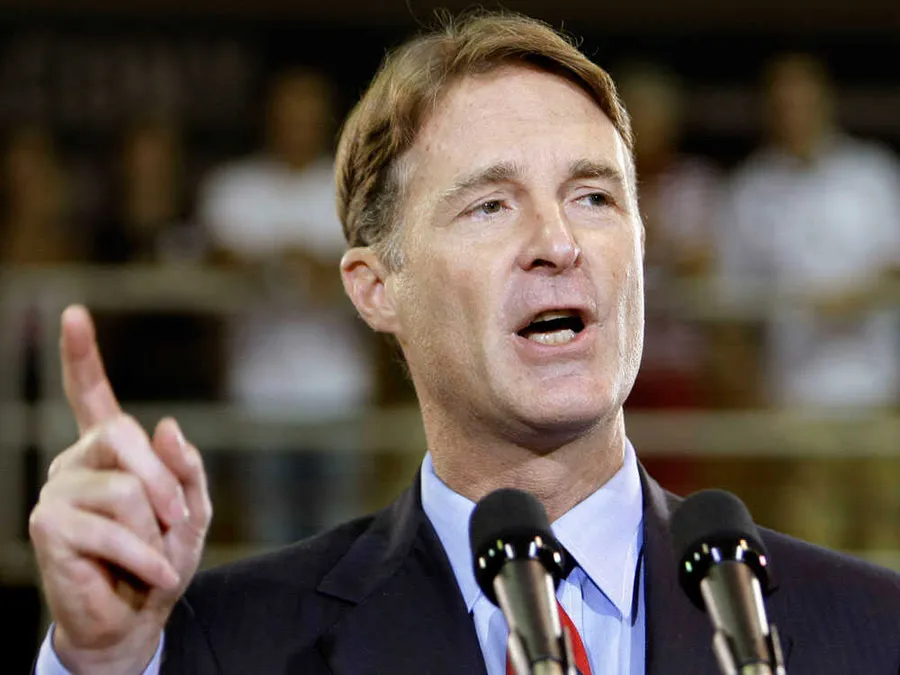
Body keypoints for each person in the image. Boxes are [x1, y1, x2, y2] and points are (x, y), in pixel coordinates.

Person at [29, 13, 900, 675]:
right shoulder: (225, 644)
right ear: (376, 287)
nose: (558, 242)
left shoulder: (869, 628)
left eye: (594, 197)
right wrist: (105, 659)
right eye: (490, 205)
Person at [717, 53, 900, 549]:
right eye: (783, 104)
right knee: (813, 543)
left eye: (802, 101)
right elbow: (729, 304)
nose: (794, 113)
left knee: (886, 537)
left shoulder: (872, 174)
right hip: (796, 399)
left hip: (878, 394)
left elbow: (894, 265)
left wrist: (850, 299)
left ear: (825, 102)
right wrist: (752, 390)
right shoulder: (752, 190)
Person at [196, 67, 374, 543]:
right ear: (268, 117)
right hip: (259, 393)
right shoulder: (234, 187)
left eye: (308, 113)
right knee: (270, 543)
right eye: (288, 113)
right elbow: (217, 260)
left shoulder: (353, 188)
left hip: (338, 390)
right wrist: (285, 265)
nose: (297, 123)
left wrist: (314, 271)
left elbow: (376, 267)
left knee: (340, 541)